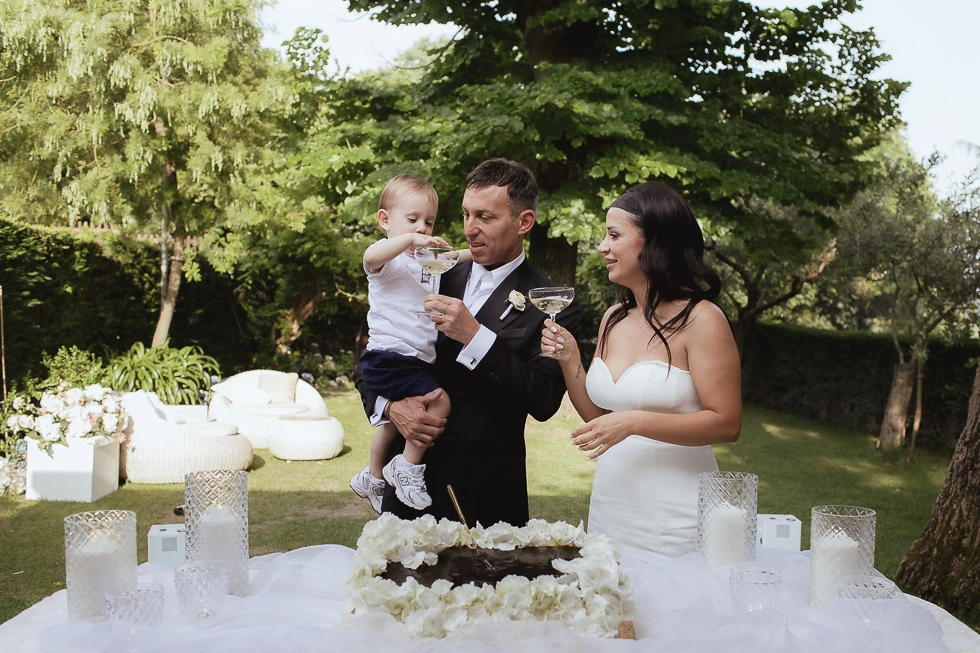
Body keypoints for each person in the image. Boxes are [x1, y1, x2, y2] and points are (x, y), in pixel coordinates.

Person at [355, 158, 582, 527]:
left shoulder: (551, 302)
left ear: (523, 222)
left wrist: (475, 337)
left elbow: (543, 400)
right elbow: (376, 352)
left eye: (485, 217)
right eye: (465, 215)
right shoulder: (431, 271)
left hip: (487, 495)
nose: (470, 229)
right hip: (408, 492)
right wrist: (390, 406)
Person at [540, 181, 742, 556]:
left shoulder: (702, 320)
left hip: (675, 515)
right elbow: (601, 419)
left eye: (614, 235)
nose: (602, 246)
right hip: (611, 505)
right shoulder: (613, 317)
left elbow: (727, 423)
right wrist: (571, 362)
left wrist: (633, 422)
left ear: (654, 242)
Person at [349, 175, 470, 513]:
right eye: (413, 219)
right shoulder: (388, 261)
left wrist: (469, 253)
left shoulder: (424, 263)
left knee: (389, 427)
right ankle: (407, 466)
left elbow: (453, 258)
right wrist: (409, 239)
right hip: (391, 358)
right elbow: (373, 254)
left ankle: (372, 476)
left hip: (414, 359)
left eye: (428, 222)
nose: (422, 228)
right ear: (385, 220)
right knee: (440, 403)